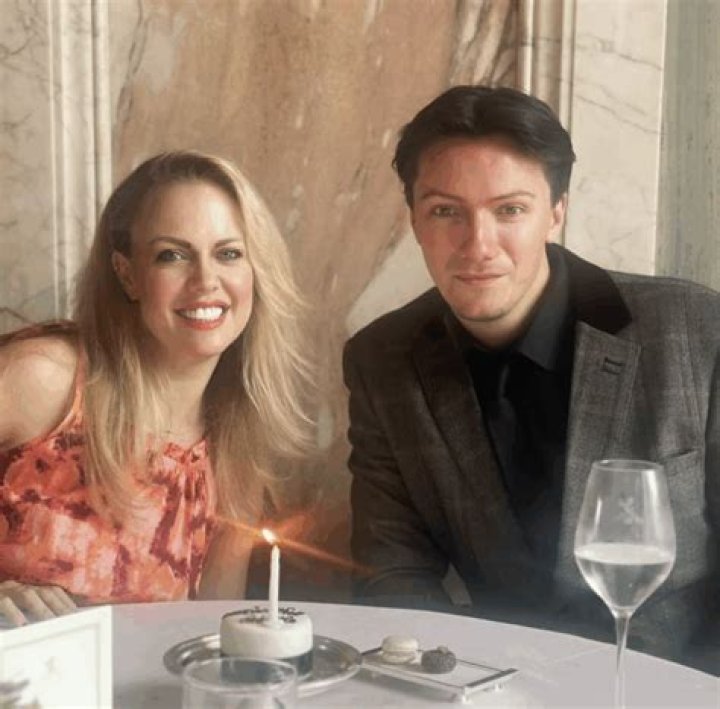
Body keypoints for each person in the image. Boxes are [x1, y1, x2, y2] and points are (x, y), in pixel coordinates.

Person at [344, 85, 719, 671]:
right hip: (494, 687)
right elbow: (394, 572)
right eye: (445, 211)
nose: (477, 245)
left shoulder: (695, 329)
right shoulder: (381, 360)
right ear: (413, 218)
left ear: (557, 211)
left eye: (510, 210)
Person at [0, 151, 312, 625]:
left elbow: (207, 634)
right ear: (127, 274)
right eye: (173, 255)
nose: (206, 281)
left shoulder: (236, 447)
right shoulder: (46, 379)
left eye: (228, 253)